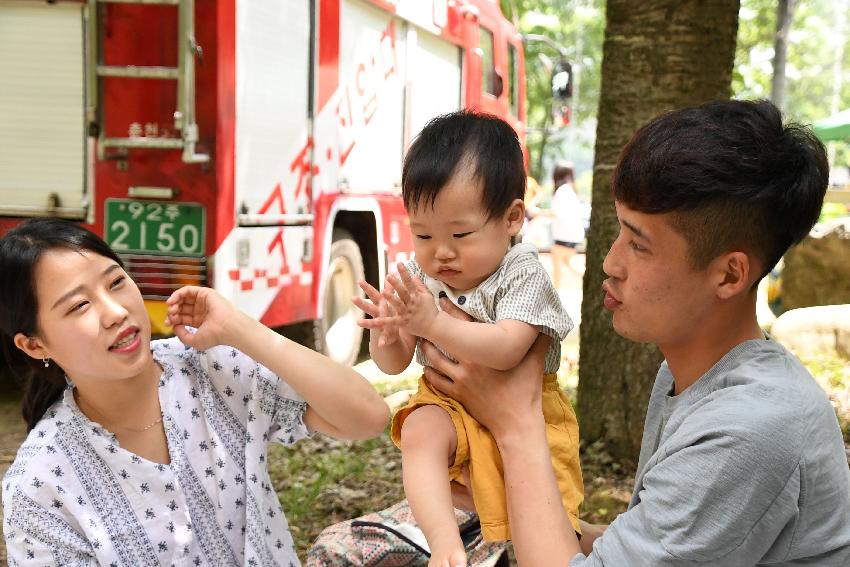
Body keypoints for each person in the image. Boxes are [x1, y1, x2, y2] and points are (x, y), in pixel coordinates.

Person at [422, 100, 850, 566]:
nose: (610, 263)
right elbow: (649, 541)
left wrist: (515, 421)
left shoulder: (750, 429)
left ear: (729, 275)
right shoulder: (687, 374)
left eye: (638, 244)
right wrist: (523, 505)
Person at [0, 218, 390, 565]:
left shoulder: (208, 367)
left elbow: (367, 416)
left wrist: (242, 329)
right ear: (35, 345)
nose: (116, 311)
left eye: (116, 282)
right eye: (80, 305)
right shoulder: (40, 486)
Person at [353, 111, 583, 567]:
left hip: (526, 407)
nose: (442, 251)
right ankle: (445, 546)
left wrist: (433, 325)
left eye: (460, 233)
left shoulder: (521, 271)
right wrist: (389, 332)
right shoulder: (419, 275)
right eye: (423, 234)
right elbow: (393, 364)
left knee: (543, 517)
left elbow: (508, 348)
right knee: (418, 430)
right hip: (448, 404)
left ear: (512, 218)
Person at [549, 163, 585, 289]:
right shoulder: (570, 190)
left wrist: (537, 212)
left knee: (558, 266)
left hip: (564, 236)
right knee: (568, 263)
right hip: (573, 235)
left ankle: (555, 293)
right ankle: (591, 280)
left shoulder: (562, 191)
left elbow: (557, 214)